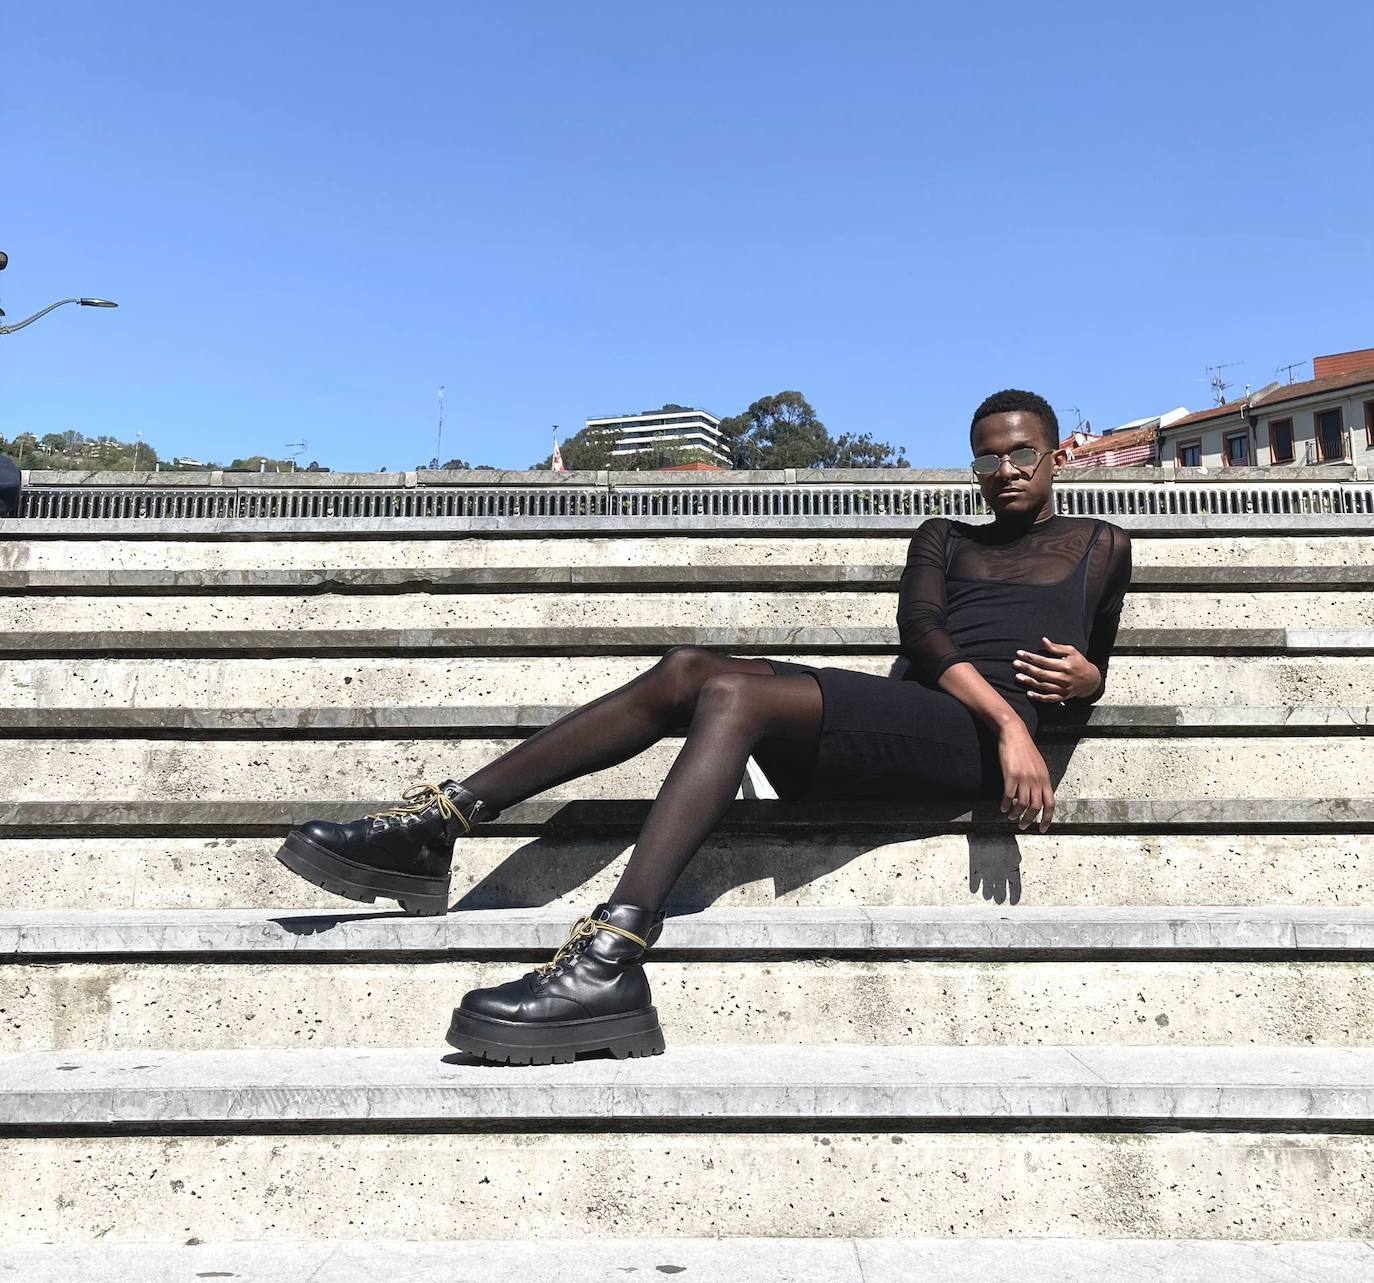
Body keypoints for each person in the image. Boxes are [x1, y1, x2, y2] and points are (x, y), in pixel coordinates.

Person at [274, 388, 1132, 1065]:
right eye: (988, 456)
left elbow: (1086, 672)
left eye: (1023, 452)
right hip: (931, 712)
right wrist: (1005, 718)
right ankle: (441, 820)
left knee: (732, 693)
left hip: (972, 750)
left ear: (1055, 455)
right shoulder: (943, 535)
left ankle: (612, 953)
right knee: (692, 669)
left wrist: (1077, 690)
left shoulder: (1102, 543)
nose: (1006, 468)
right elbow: (924, 636)